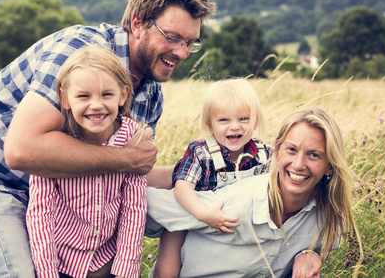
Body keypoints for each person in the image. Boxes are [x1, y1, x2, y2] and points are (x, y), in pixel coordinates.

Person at [0, 0, 216, 276]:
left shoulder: (150, 94)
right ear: (138, 24)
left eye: (189, 43)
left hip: (57, 195)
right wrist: (126, 160)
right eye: (172, 37)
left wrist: (202, 171)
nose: (182, 52)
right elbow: (20, 151)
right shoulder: (80, 53)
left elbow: (132, 174)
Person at [146, 107, 364, 277]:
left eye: (314, 155)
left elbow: (321, 243)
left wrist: (310, 254)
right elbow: (150, 205)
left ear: (329, 166)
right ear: (276, 151)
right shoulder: (236, 202)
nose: (298, 164)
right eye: (291, 150)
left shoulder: (329, 217)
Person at [26, 46, 147, 278]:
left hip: (108, 259)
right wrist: (47, 274)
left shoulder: (132, 137)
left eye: (106, 94)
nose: (96, 105)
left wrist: (126, 270)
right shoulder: (54, 141)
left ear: (123, 95)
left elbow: (134, 208)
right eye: (83, 96)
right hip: (62, 261)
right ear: (65, 98)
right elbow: (40, 213)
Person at [153, 79, 272, 278]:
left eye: (243, 119)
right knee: (172, 240)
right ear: (210, 125)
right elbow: (182, 188)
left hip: (235, 220)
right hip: (194, 211)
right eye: (224, 120)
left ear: (255, 122)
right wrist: (203, 213)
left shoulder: (263, 154)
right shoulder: (201, 152)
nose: (235, 127)